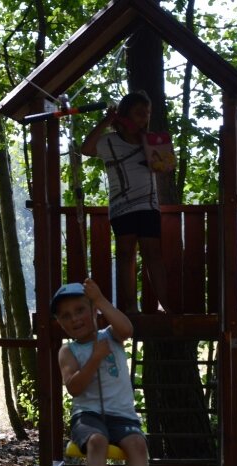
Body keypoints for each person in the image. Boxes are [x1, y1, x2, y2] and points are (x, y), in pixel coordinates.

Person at [50, 279, 153, 466]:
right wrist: (95, 359)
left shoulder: (110, 335)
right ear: (60, 324)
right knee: (96, 442)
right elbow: (74, 387)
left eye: (80, 310)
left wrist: (100, 299)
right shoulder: (68, 351)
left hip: (122, 415)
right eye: (66, 316)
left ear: (94, 310)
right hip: (88, 415)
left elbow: (127, 329)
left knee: (138, 446)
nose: (74, 319)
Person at [80, 90, 171, 314]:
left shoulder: (150, 142)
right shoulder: (108, 141)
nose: (144, 118)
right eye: (139, 113)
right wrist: (107, 121)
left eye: (147, 114)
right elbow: (85, 149)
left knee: (153, 254)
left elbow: (166, 166)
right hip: (121, 208)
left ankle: (166, 306)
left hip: (148, 206)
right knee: (125, 254)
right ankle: (130, 308)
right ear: (124, 114)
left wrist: (159, 151)